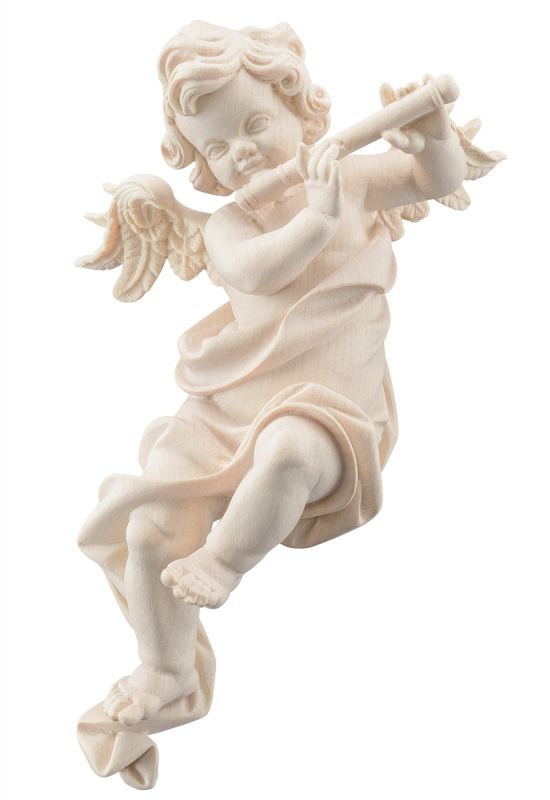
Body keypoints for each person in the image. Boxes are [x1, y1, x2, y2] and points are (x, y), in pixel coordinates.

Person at [77, 20, 472, 782]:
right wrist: (317, 217)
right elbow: (257, 272)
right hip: (226, 404)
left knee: (288, 450)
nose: (243, 153)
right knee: (148, 531)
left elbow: (436, 180)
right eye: (218, 148)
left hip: (330, 406)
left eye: (255, 125)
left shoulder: (353, 175)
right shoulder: (229, 225)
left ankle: (224, 561)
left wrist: (432, 137)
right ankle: (166, 670)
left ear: (304, 110)